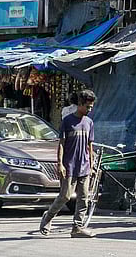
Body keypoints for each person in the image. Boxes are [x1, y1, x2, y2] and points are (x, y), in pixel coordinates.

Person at [36, 89, 97, 238]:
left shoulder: (89, 123)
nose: (90, 110)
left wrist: (92, 164)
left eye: (91, 107)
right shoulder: (67, 121)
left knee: (84, 197)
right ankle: (48, 217)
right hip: (69, 165)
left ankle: (77, 227)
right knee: (65, 196)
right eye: (88, 107)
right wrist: (60, 164)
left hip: (84, 166)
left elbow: (90, 145)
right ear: (80, 104)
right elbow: (61, 144)